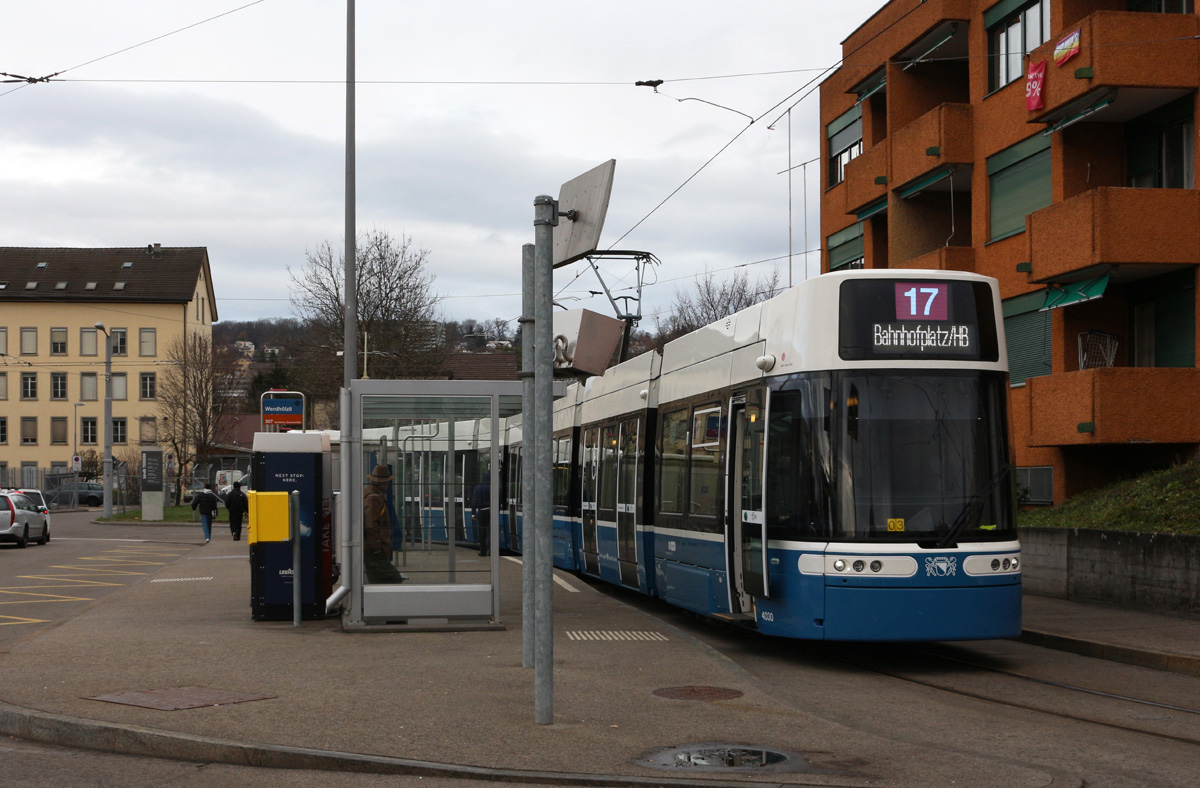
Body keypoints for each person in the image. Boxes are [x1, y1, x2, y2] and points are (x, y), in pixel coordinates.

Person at [363, 464, 404, 583]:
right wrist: (377, 548)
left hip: (373, 549)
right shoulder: (374, 498)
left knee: (378, 580)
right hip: (374, 550)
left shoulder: (369, 494)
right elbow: (371, 525)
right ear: (383, 483)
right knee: (393, 578)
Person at [472, 472, 491, 556]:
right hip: (492, 511)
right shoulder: (493, 487)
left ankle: (483, 551)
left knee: (482, 532)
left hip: (482, 512)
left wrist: (473, 513)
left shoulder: (478, 488)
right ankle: (491, 550)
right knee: (491, 532)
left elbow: (474, 501)